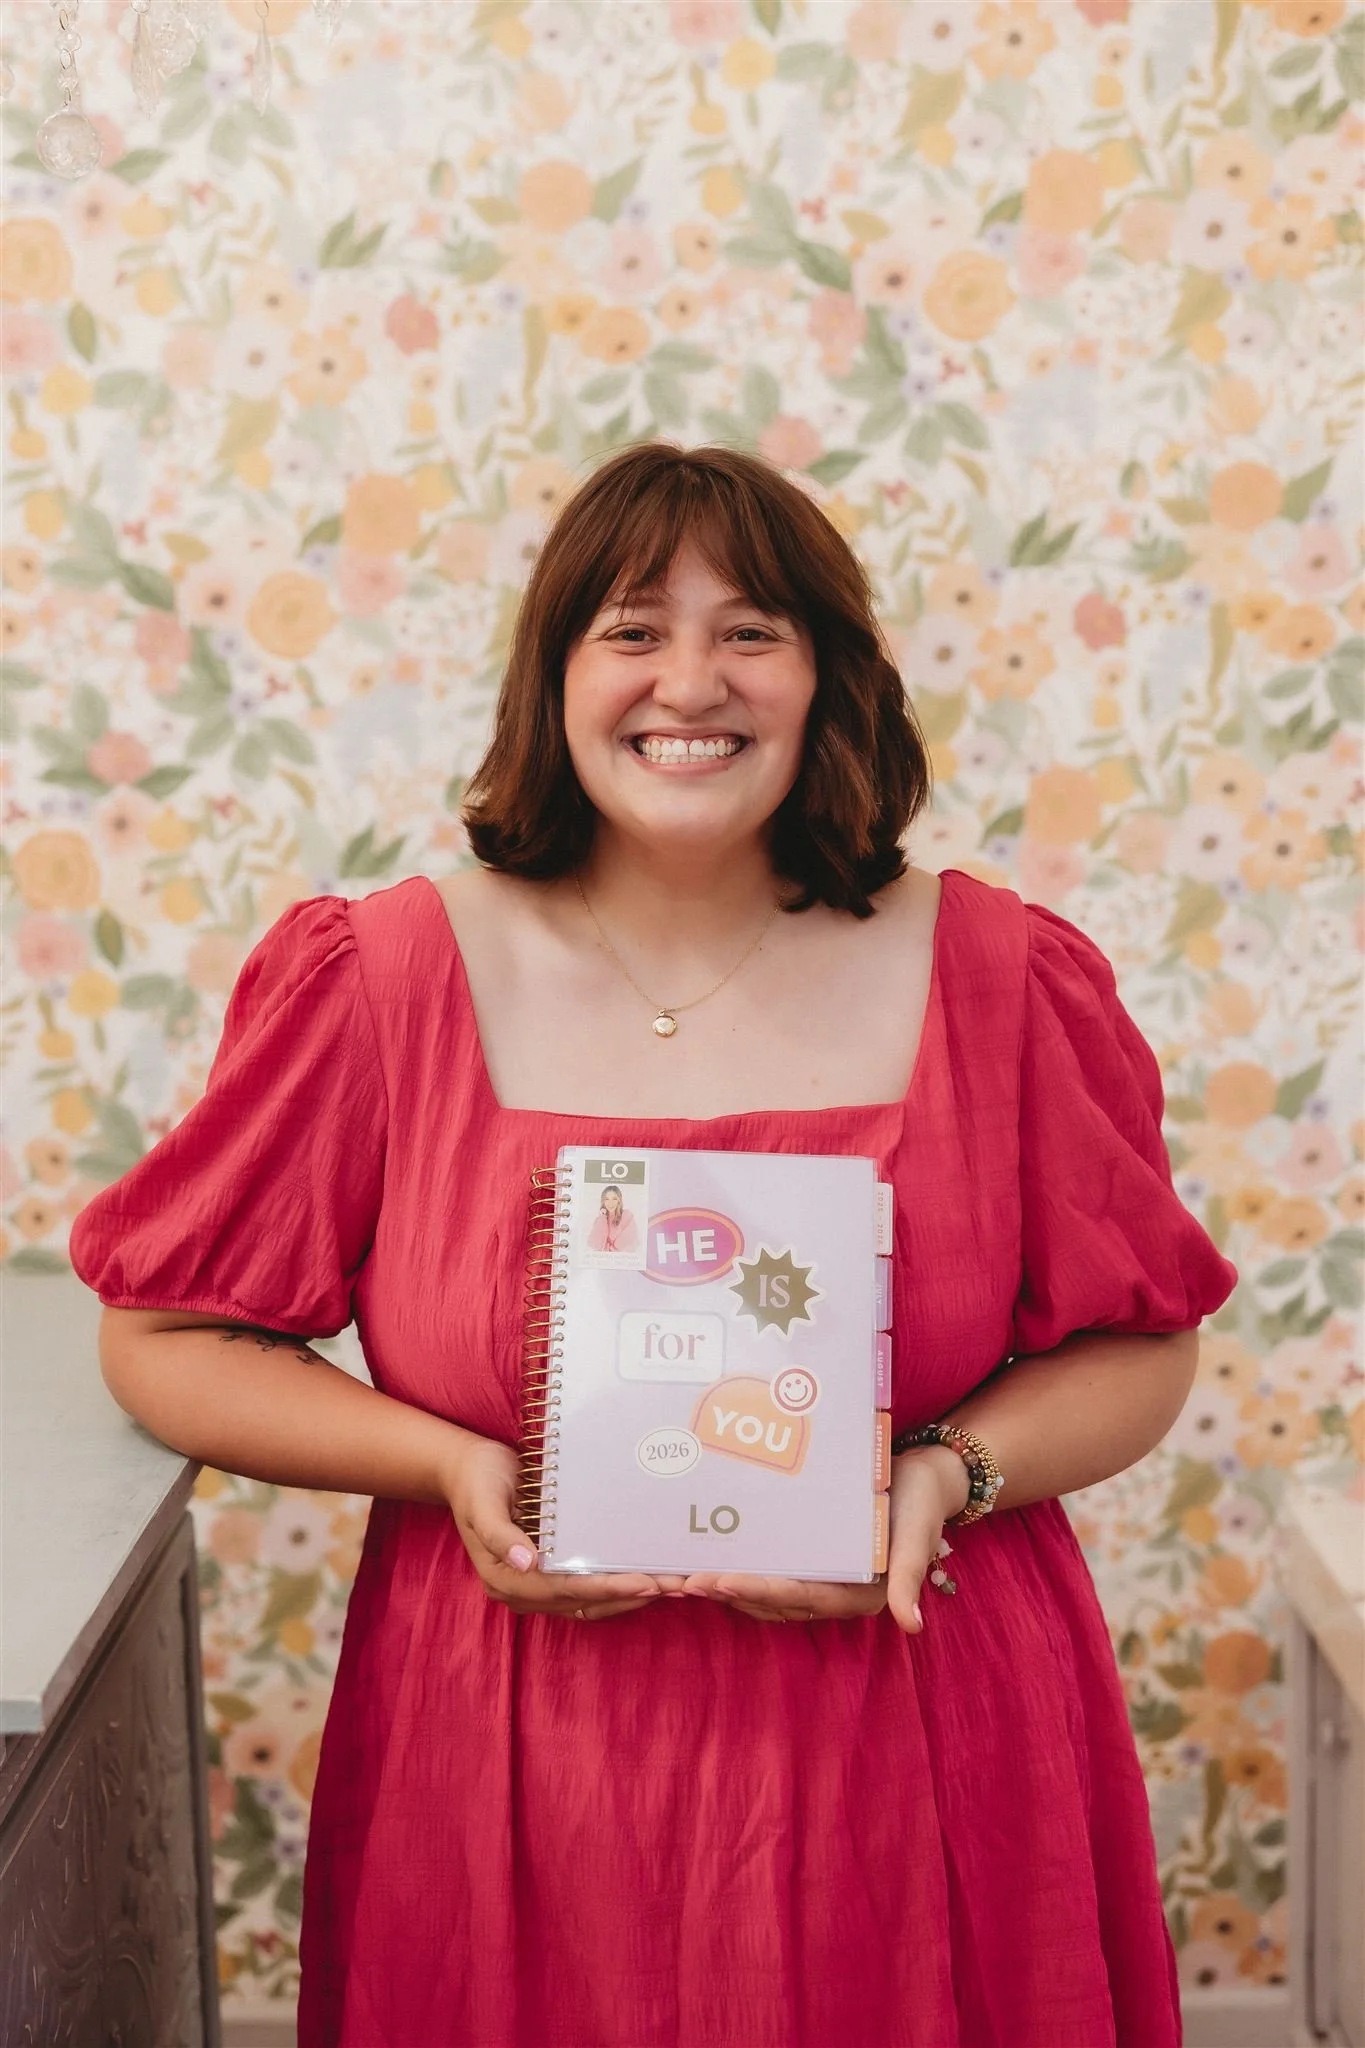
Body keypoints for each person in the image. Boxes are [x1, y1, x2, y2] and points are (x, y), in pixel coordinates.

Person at [69, 441, 1237, 2048]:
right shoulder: (384, 978)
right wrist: (444, 1464)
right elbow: (164, 1333)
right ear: (554, 676)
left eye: (751, 629)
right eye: (630, 627)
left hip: (923, 1742)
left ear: (828, 678)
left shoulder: (1003, 975)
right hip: (504, 1758)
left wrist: (938, 1474)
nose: (690, 679)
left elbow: (1141, 1342)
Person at [585, 1182, 639, 1255]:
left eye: (614, 1199)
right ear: (603, 1201)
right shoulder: (600, 1219)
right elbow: (596, 1244)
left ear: (619, 1200)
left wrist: (608, 1250)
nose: (611, 1203)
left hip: (622, 1259)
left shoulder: (627, 1216)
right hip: (603, 1261)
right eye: (607, 1199)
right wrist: (602, 1218)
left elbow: (629, 1242)